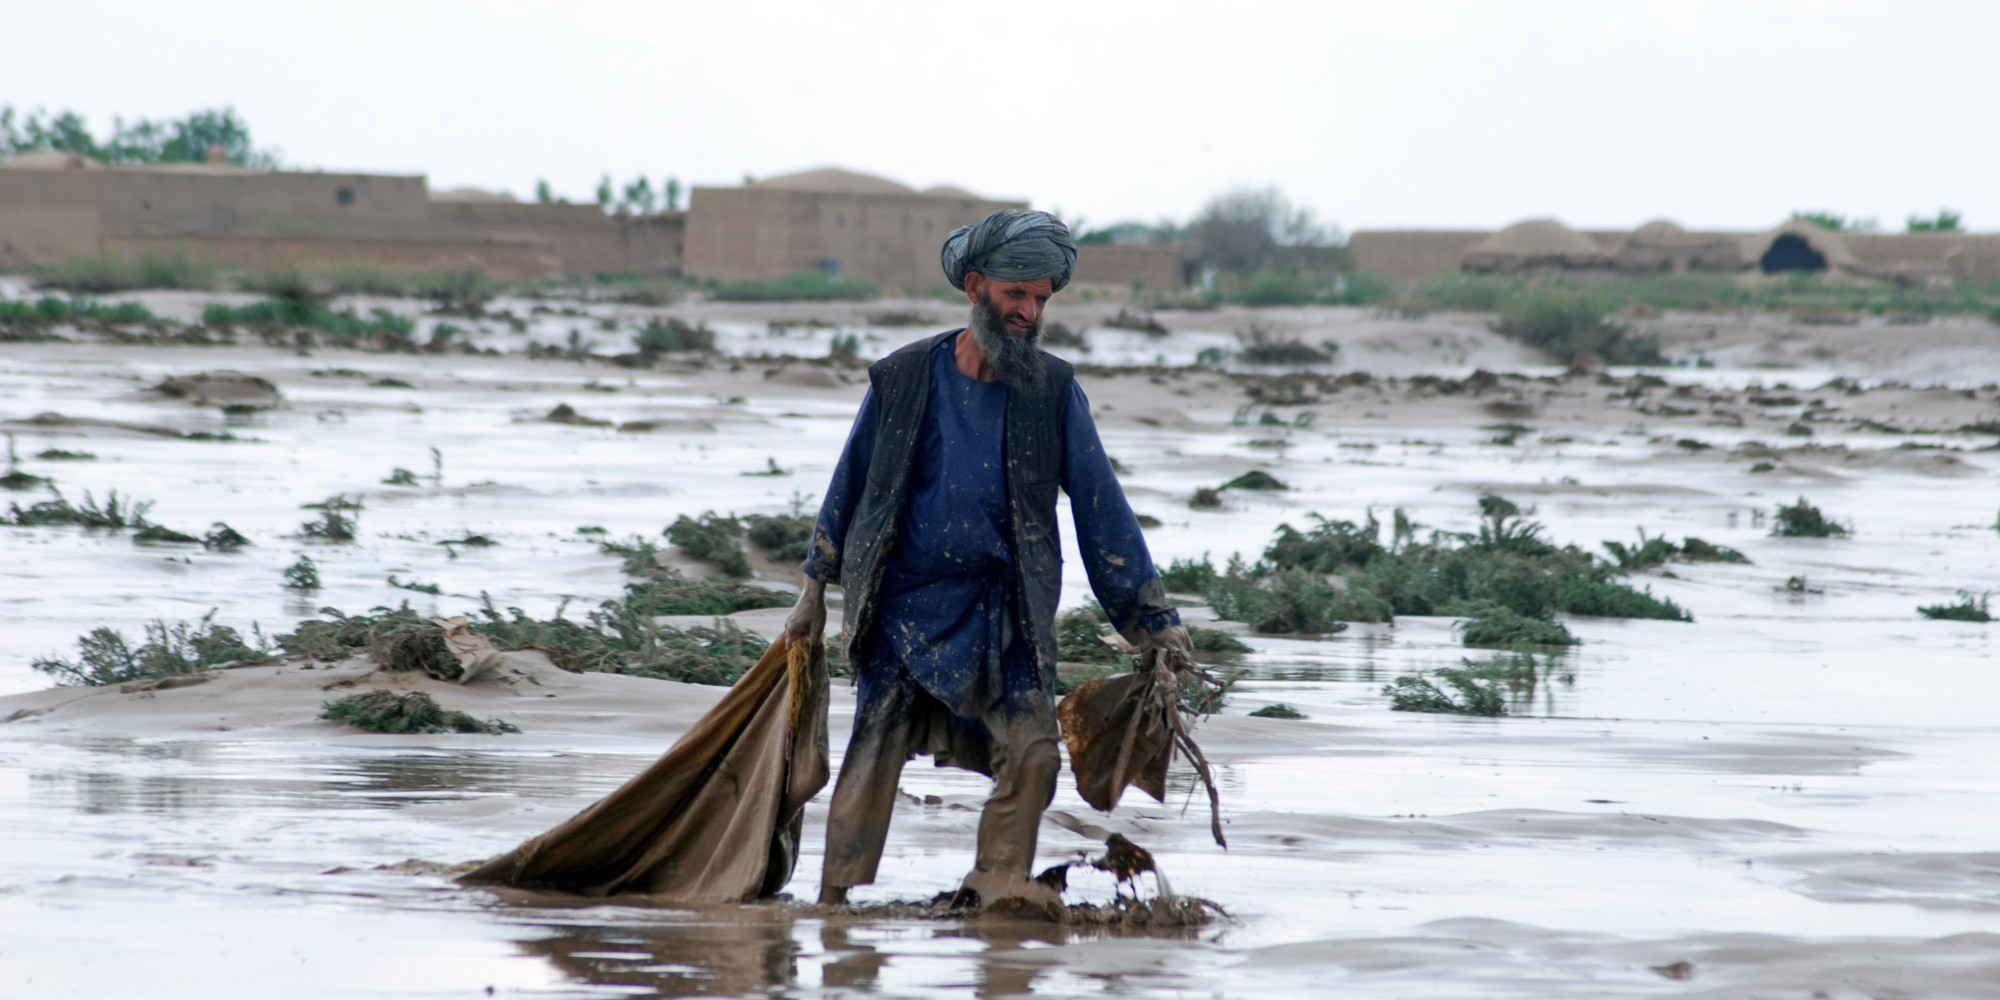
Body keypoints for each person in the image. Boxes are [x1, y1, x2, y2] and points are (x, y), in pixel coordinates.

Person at [783, 209, 1192, 909]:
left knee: (1034, 754)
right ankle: (834, 911)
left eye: (1040, 299)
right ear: (975, 287)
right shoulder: (904, 377)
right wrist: (814, 586)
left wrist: (1152, 620)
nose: (1029, 312)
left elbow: (1104, 511)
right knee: (870, 758)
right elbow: (850, 484)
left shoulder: (1052, 391)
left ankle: (996, 890)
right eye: (1016, 295)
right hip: (904, 613)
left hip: (1005, 617)